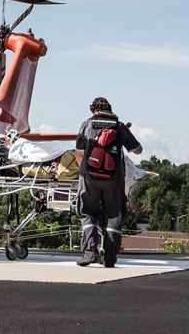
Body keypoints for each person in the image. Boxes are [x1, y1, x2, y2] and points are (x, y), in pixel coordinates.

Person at [75, 97, 142, 268]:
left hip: (89, 177)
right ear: (110, 109)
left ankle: (90, 253)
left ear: (93, 110)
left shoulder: (86, 125)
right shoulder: (119, 126)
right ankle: (110, 257)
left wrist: (85, 173)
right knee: (114, 214)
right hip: (113, 178)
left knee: (88, 212)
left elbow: (79, 153)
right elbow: (138, 150)